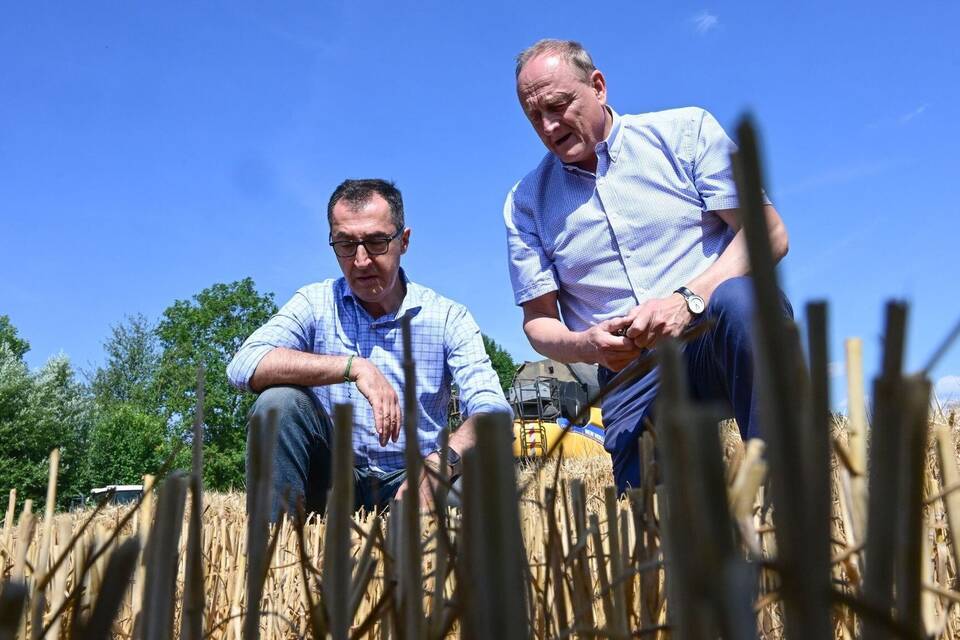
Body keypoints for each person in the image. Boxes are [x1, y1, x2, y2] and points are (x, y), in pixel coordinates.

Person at [503, 39, 792, 493]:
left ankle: (789, 498)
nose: (549, 125)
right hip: (629, 373)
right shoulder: (526, 203)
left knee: (743, 300)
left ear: (597, 87)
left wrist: (690, 300)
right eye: (534, 116)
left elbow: (769, 233)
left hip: (711, 332)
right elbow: (538, 323)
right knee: (649, 527)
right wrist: (587, 345)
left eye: (558, 105)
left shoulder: (684, 133)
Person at [228, 178, 512, 521]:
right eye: (345, 244)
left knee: (476, 488)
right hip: (331, 480)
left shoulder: (448, 317)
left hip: (415, 475)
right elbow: (244, 364)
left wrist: (442, 462)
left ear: (403, 241)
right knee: (278, 403)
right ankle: (276, 547)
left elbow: (494, 412)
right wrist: (354, 367)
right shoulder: (316, 302)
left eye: (376, 242)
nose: (360, 261)